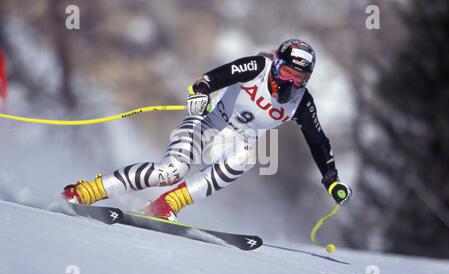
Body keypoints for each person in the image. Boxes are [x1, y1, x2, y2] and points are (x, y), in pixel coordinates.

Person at [63, 39, 352, 221]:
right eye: (287, 72)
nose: (291, 83)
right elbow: (213, 77)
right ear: (277, 66)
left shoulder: (302, 102)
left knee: (249, 156)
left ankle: (166, 205)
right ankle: (87, 190)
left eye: (300, 77)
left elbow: (318, 142)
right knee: (170, 172)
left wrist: (331, 180)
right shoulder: (258, 67)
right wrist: (200, 91)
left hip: (235, 143)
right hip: (208, 123)